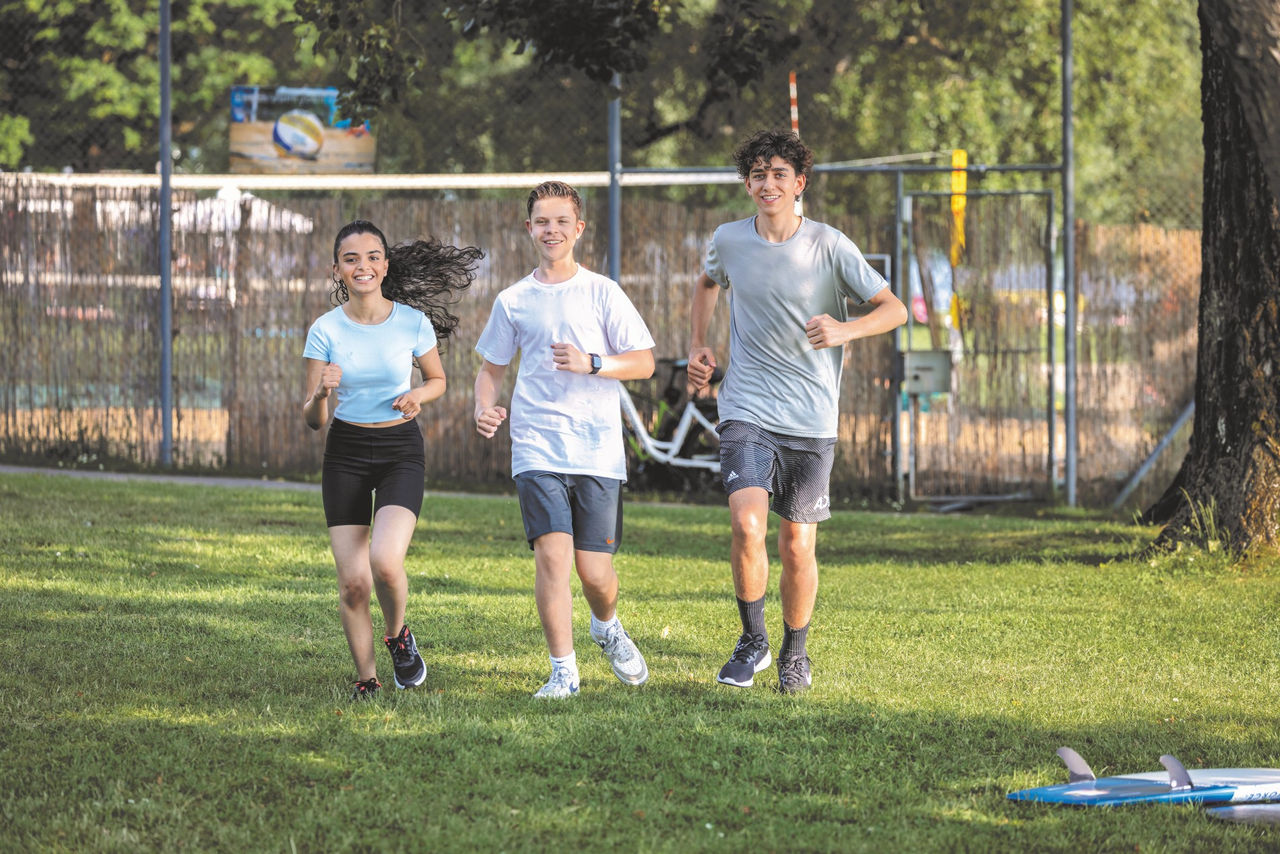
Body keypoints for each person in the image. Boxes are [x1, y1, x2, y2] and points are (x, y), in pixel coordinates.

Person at [687, 130, 908, 694]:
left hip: (811, 418)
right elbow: (708, 282)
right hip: (745, 405)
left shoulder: (830, 245)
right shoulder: (729, 240)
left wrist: (845, 328)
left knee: (797, 545)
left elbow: (894, 309)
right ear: (748, 184)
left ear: (799, 183)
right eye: (758, 174)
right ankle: (752, 640)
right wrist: (699, 344)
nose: (768, 184)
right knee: (746, 523)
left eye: (779, 174)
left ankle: (794, 652)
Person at [473, 181, 655, 699]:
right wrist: (484, 407)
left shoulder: (602, 292)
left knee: (595, 572)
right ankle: (563, 672)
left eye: (561, 221)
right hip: (537, 445)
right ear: (528, 228)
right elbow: (489, 371)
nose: (551, 230)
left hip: (597, 450)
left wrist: (593, 363)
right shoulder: (513, 300)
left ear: (578, 229)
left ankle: (607, 626)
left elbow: (642, 362)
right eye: (541, 221)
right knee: (552, 558)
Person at [303, 220, 482, 700]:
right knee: (353, 585)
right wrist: (322, 392)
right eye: (351, 258)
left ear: (385, 264)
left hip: (400, 450)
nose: (363, 266)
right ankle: (367, 679)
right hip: (345, 453)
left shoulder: (411, 321)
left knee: (384, 561)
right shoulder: (324, 329)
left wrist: (419, 393)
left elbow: (439, 380)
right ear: (336, 269)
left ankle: (399, 636)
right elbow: (313, 420)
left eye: (373, 256)